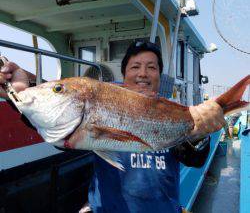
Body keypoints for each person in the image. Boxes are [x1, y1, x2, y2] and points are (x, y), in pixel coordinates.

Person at [0, 41, 226, 213]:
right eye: (135, 66)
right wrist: (18, 91)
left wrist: (201, 133)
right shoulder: (99, 103)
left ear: (159, 74)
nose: (143, 73)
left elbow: (194, 160)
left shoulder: (174, 110)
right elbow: (50, 117)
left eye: (152, 67)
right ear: (125, 74)